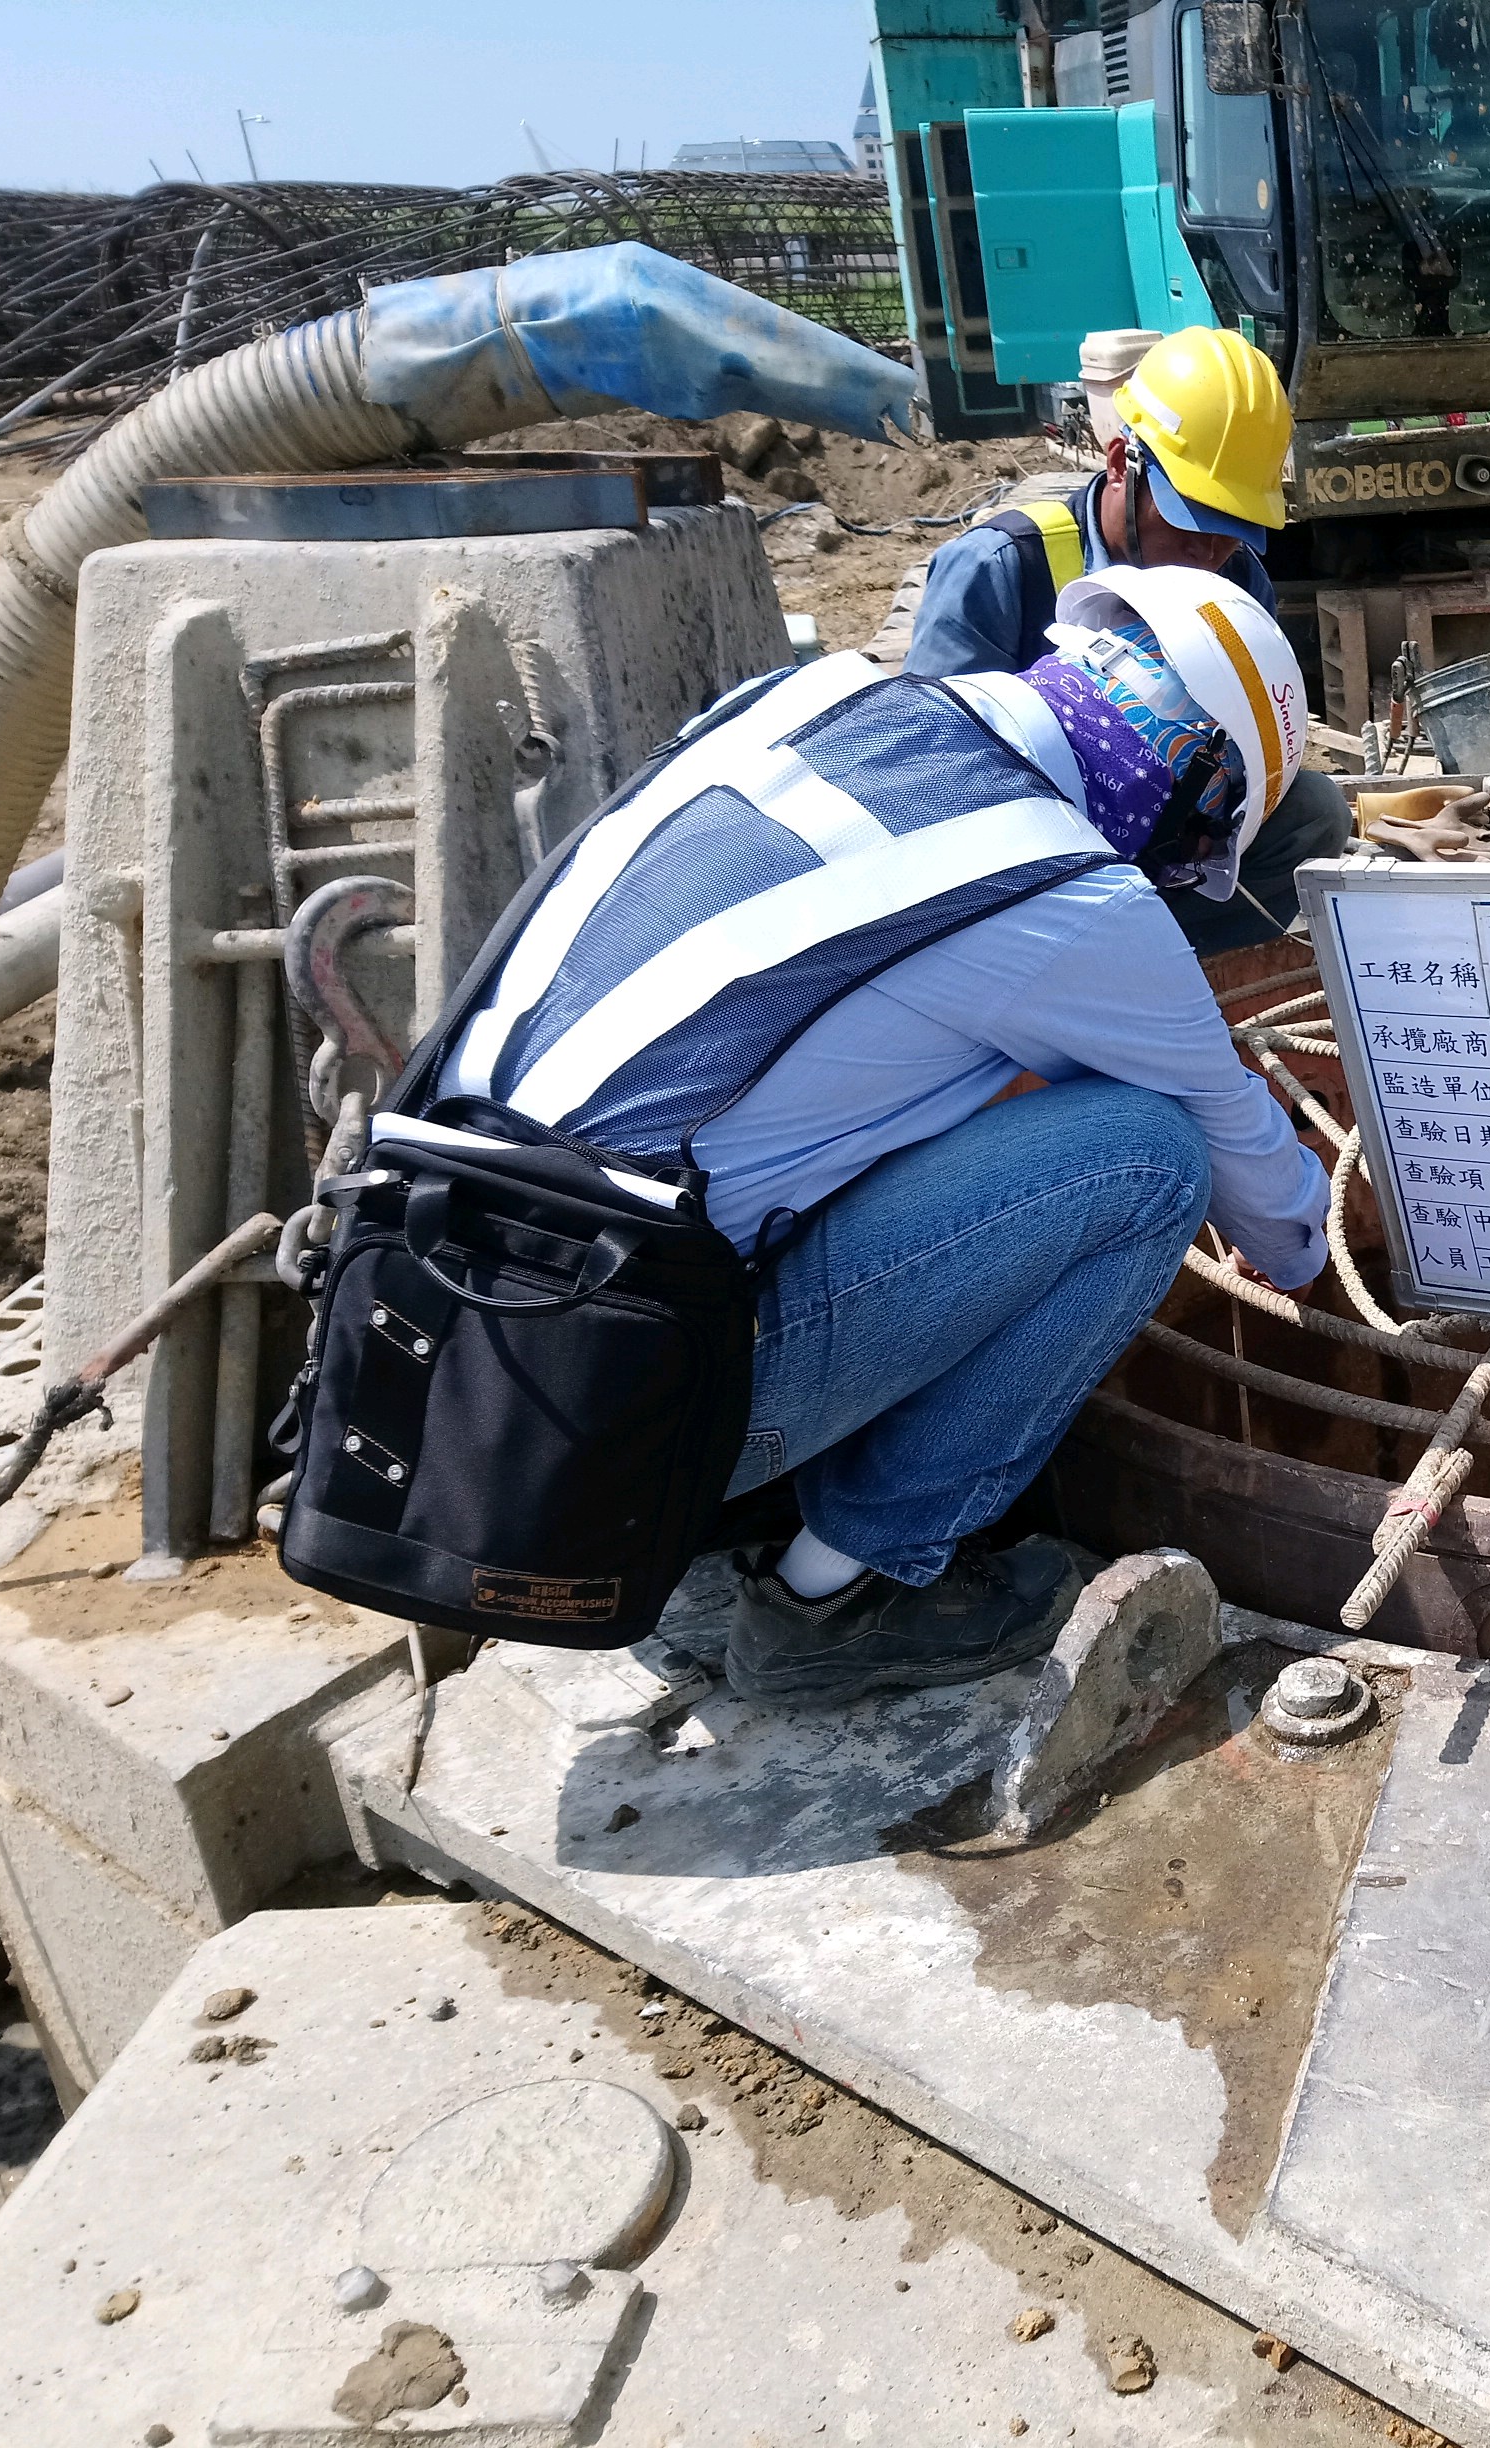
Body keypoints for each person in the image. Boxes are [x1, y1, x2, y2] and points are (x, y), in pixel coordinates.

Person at [436, 564, 1329, 1705]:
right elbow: (1262, 1186)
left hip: (463, 1315)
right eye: (1198, 840)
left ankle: (765, 1488)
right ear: (1194, 778)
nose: (1174, 870)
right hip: (600, 1415)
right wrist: (1324, 1263)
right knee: (1148, 1159)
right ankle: (840, 1600)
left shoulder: (809, 700)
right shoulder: (1069, 892)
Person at [899, 324, 1349, 954]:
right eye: (1192, 519)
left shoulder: (1236, 576)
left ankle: (1155, 967)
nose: (1209, 553)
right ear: (1120, 466)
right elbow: (922, 769)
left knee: (1311, 814)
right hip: (1023, 863)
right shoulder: (1002, 566)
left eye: (1234, 528)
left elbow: (1253, 748)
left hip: (1164, 850)